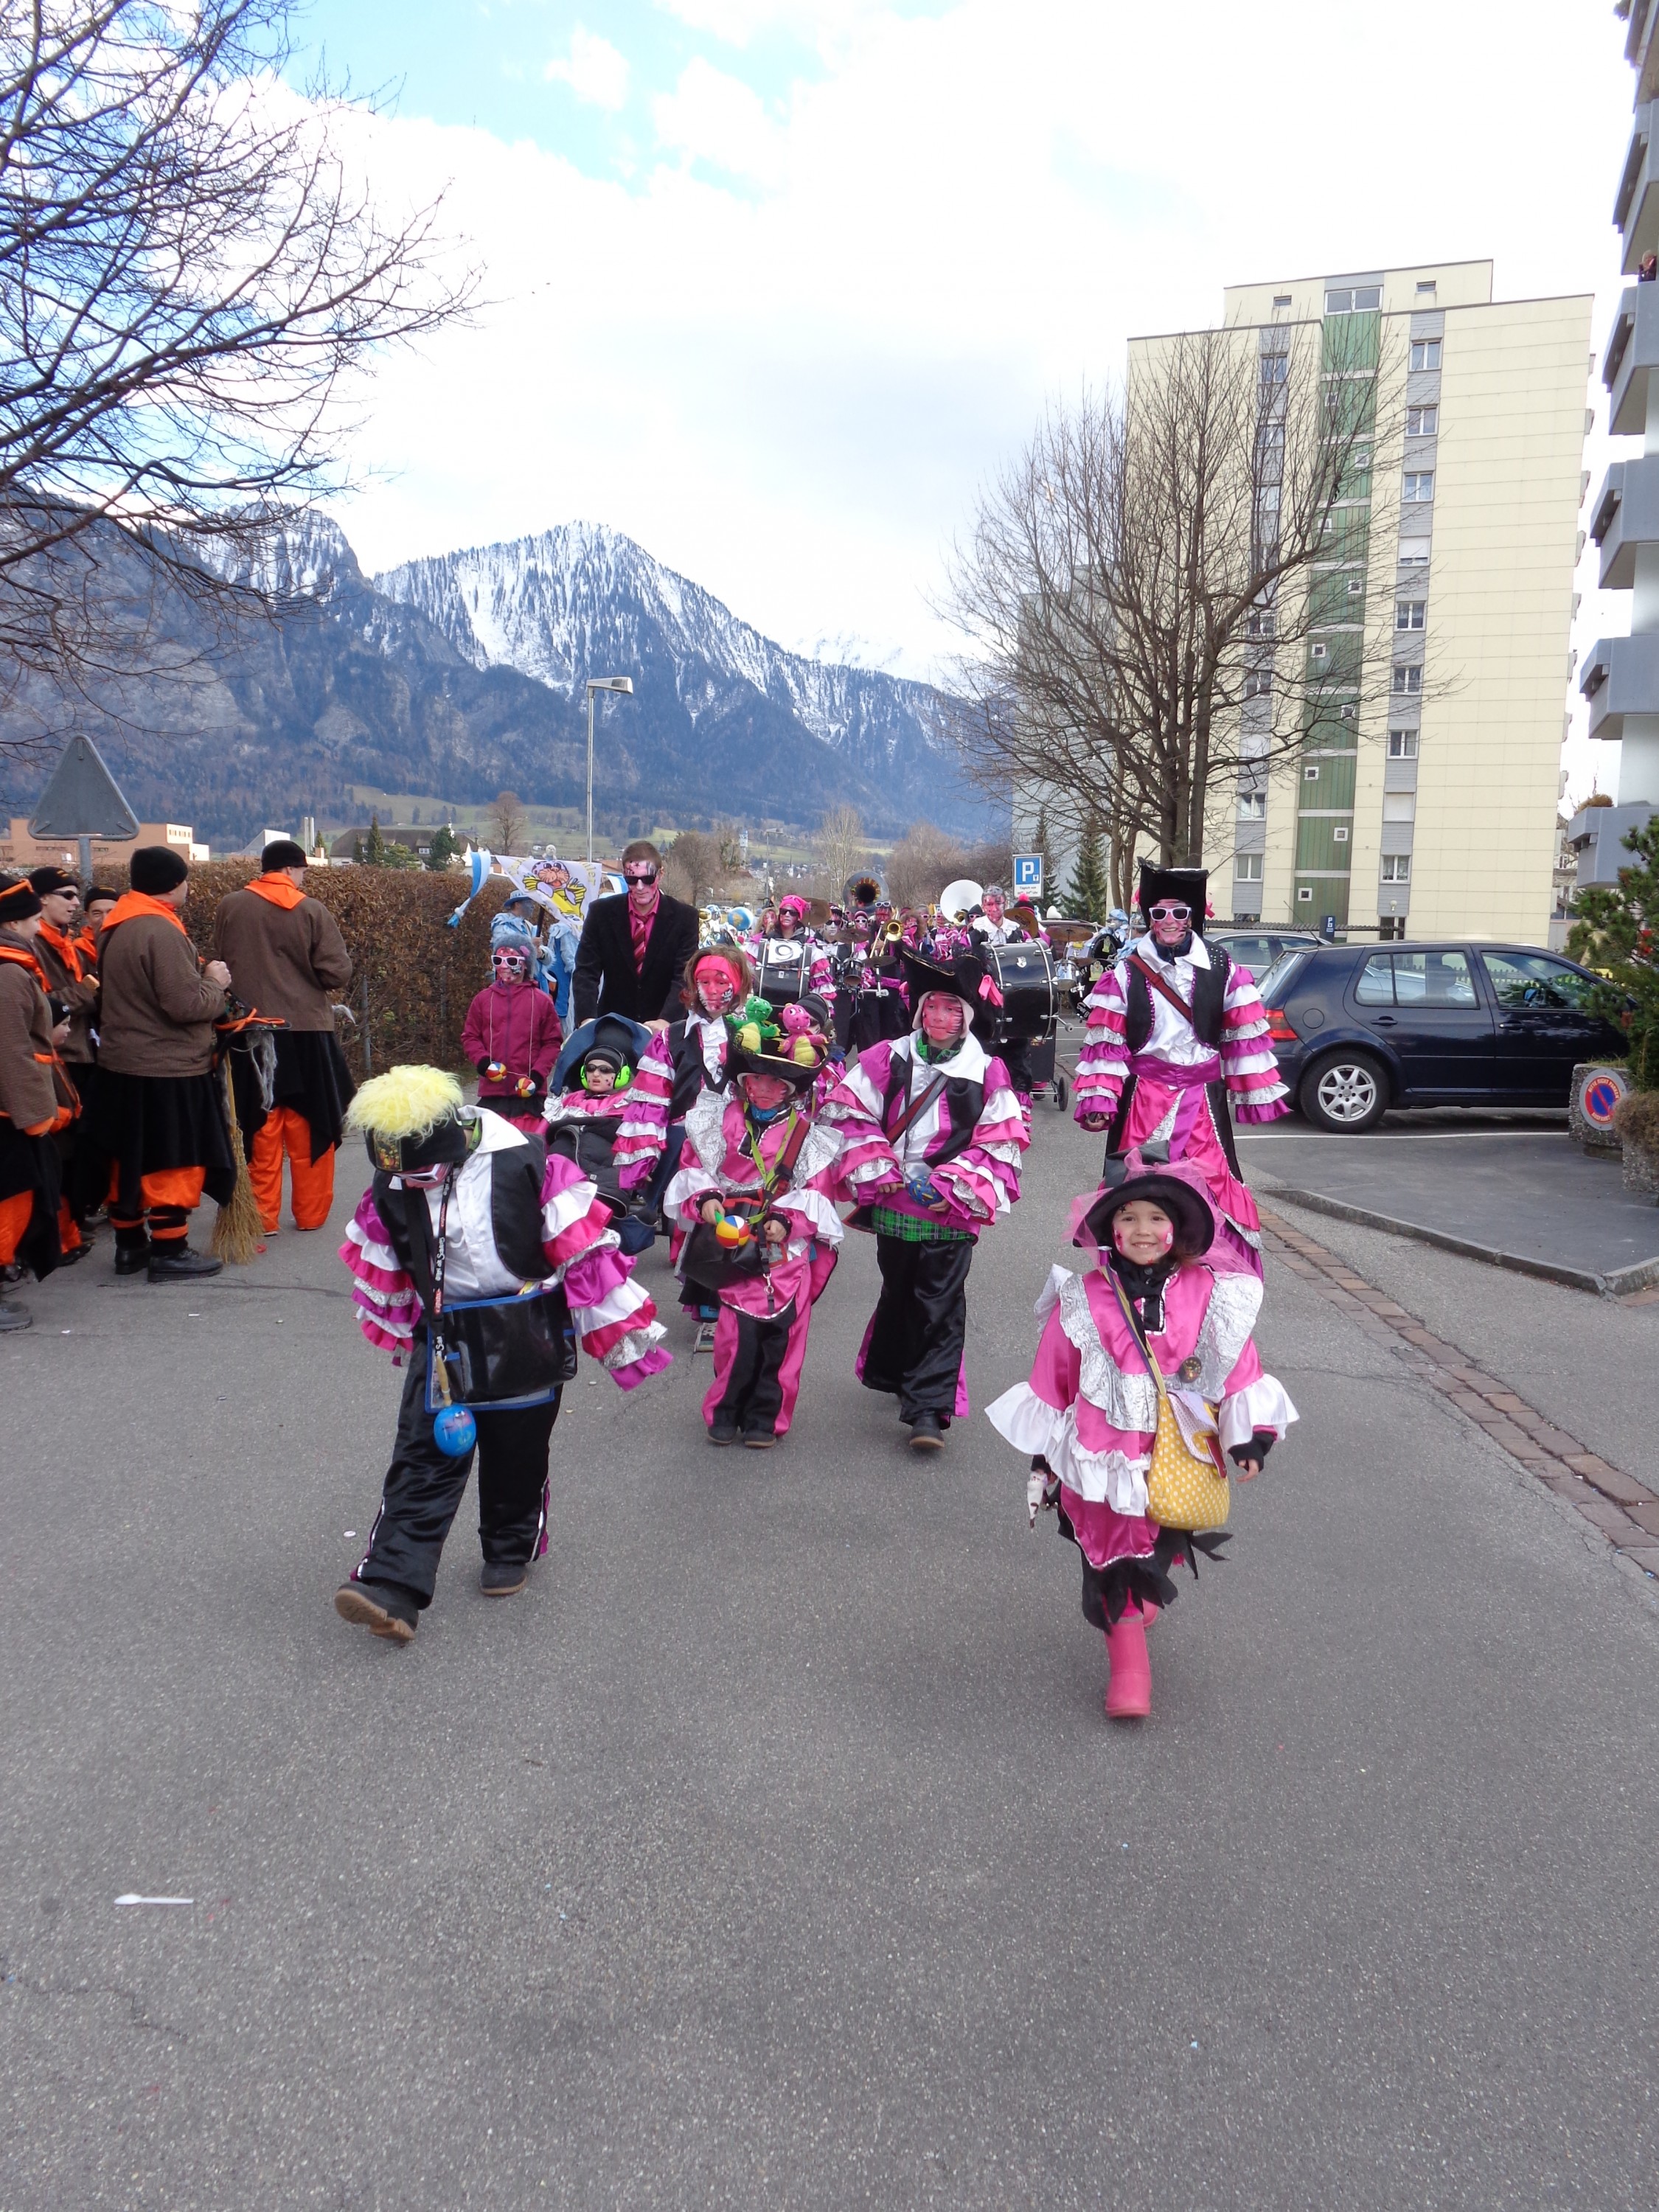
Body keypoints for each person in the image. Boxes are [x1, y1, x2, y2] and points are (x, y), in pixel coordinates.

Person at [334, 1067, 671, 1643]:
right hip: (445, 1334)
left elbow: (582, 1255)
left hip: (526, 1327)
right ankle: (391, 1585)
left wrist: (615, 1338)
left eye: (423, 1173)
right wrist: (402, 1322)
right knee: (422, 1454)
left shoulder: (528, 1164)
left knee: (517, 1453)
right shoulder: (393, 1181)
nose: (411, 1183)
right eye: (400, 1175)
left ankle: (509, 1547)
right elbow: (389, 1257)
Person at [987, 1148, 1295, 1720]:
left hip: (1179, 1453)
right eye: (1128, 1218)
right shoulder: (1084, 1298)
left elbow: (1237, 1366)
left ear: (1177, 1228)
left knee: (1159, 1536)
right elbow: (1055, 1375)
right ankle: (1130, 1669)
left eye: (1156, 1218)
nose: (1143, 1230)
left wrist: (1251, 1437)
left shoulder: (1207, 1292)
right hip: (1103, 1458)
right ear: (1111, 1230)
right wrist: (1044, 1457)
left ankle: (1143, 1590)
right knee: (1113, 1556)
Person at [821, 942, 1027, 1453]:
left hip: (948, 1208)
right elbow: (848, 1110)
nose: (938, 1016)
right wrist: (880, 1166)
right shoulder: (887, 1058)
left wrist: (951, 1184)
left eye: (950, 1008)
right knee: (899, 1290)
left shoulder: (988, 1072)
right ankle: (895, 1373)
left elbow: (999, 1139)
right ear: (918, 1011)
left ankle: (928, 1410)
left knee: (940, 1302)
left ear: (966, 1016)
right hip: (894, 1203)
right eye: (931, 1006)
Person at [1072, 863, 1288, 1275]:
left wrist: (1251, 1092)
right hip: (1144, 1100)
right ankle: (1141, 1273)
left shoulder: (1222, 967)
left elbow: (1242, 1031)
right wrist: (1100, 1097)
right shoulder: (1126, 973)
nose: (1169, 921)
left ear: (1193, 915)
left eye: (1179, 912)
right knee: (1139, 1186)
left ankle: (1208, 1275)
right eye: (1159, 913)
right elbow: (1107, 1041)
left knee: (1212, 1182)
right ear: (1149, 917)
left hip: (1203, 1102)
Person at [665, 1008, 841, 1448]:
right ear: (743, 1082)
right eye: (755, 1080)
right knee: (733, 1335)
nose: (762, 1089)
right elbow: (695, 1165)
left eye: (774, 1083)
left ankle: (767, 1418)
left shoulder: (806, 1134)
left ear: (790, 1089)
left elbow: (818, 1191)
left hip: (785, 1252)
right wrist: (705, 1198)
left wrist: (786, 1221)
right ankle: (724, 1411)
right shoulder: (721, 1120)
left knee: (783, 1337)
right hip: (731, 1242)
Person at [89, 846, 234, 1281]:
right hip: (167, 1067)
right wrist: (215, 984)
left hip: (120, 1063)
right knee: (173, 1158)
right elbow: (185, 1005)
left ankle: (130, 1246)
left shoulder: (116, 925)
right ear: (174, 884)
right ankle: (170, 1250)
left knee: (129, 1156)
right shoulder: (159, 929)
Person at [212, 840, 355, 1236]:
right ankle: (311, 1214)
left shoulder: (230, 906)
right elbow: (337, 972)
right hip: (306, 1029)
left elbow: (220, 961)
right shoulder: (311, 910)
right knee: (310, 1124)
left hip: (249, 1029)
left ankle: (262, 1216)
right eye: (303, 871)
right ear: (292, 869)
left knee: (259, 1123)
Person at [0, 874, 71, 1329]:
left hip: (9, 1107)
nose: (37, 925)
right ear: (15, 921)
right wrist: (34, 1118)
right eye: (32, 917)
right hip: (9, 1112)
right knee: (9, 1200)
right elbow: (12, 1050)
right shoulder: (8, 973)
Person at [27, 866, 98, 1259]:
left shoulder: (66, 943)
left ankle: (72, 1225)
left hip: (80, 1053)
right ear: (42, 900)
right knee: (58, 1150)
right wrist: (87, 991)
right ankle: (58, 1237)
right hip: (55, 1057)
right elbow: (46, 1006)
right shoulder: (33, 944)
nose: (75, 903)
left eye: (76, 895)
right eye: (66, 895)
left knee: (75, 1150)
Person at [541, 1014, 655, 1253]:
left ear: (621, 1075)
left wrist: (641, 1166)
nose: (596, 1075)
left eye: (605, 1070)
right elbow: (543, 1132)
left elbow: (638, 1138)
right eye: (591, 1069)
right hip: (566, 1163)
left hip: (603, 1166)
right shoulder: (569, 1100)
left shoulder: (627, 1103)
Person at [571, 841, 700, 1029]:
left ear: (660, 874)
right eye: (632, 880)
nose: (640, 887)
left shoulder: (685, 917)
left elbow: (684, 975)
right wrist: (586, 1019)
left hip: (665, 1027)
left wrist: (666, 1020)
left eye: (647, 879)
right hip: (612, 1024)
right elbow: (586, 971)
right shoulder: (601, 913)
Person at [461, 930, 563, 1134]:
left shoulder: (541, 1001)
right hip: (493, 1093)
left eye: (512, 961)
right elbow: (470, 1036)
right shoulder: (483, 999)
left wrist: (537, 1075)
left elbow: (552, 1042)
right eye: (498, 960)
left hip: (528, 1094)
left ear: (525, 964)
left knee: (526, 1146)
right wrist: (483, 1063)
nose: (504, 966)